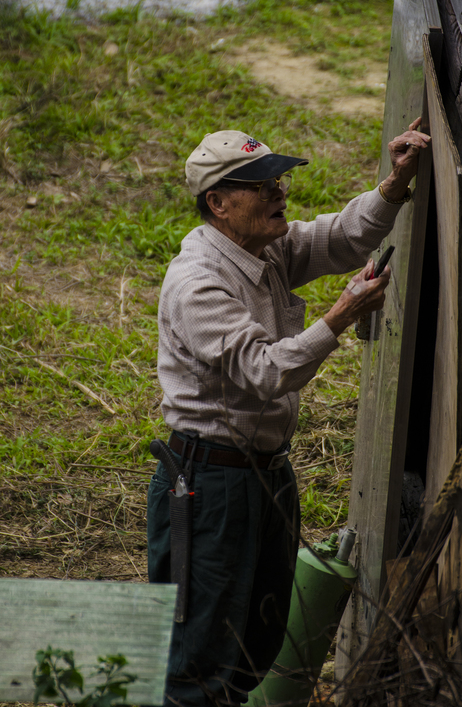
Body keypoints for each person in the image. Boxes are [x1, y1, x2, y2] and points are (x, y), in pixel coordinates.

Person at [147, 120, 429, 707]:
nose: (280, 191)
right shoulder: (196, 282)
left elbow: (339, 238)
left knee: (255, 642)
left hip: (266, 474)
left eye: (278, 178)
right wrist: (341, 315)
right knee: (199, 657)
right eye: (261, 183)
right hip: (209, 485)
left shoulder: (264, 248)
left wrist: (395, 185)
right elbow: (268, 373)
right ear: (218, 203)